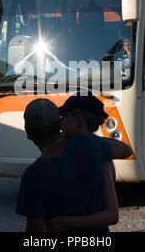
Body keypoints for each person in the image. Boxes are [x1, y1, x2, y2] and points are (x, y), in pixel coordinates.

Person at [16, 98, 133, 232]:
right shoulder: (92, 146)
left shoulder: (33, 175)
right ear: (59, 124)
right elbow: (125, 150)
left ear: (28, 133)